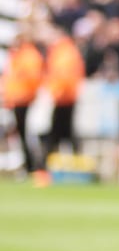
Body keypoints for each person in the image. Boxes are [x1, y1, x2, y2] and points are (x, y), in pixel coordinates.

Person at [3, 27, 44, 178]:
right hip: (17, 100)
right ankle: (28, 165)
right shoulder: (18, 55)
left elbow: (32, 79)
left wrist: (27, 95)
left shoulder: (29, 55)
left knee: (27, 134)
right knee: (20, 134)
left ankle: (34, 166)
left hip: (25, 100)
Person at [42, 25, 85, 160]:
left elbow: (64, 75)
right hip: (64, 97)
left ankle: (52, 162)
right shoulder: (63, 50)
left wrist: (57, 92)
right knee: (65, 132)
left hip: (64, 98)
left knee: (59, 132)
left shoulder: (64, 51)